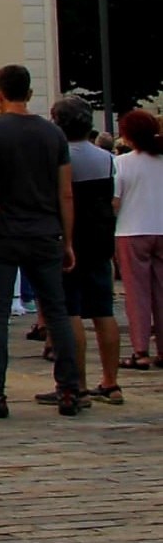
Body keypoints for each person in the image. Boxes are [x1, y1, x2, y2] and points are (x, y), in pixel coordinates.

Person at [0, 64, 83, 418]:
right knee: (56, 312)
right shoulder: (53, 134)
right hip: (44, 230)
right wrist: (67, 240)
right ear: (29, 93)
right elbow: (66, 193)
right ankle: (69, 389)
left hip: (2, 230)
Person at [50, 97, 121, 405]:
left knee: (71, 311)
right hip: (99, 238)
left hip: (71, 237)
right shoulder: (105, 157)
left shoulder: (61, 157)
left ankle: (77, 383)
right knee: (103, 311)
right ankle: (111, 381)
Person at [114, 109, 163, 370]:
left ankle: (140, 350)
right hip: (161, 228)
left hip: (131, 229)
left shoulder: (121, 163)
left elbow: (115, 202)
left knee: (137, 293)